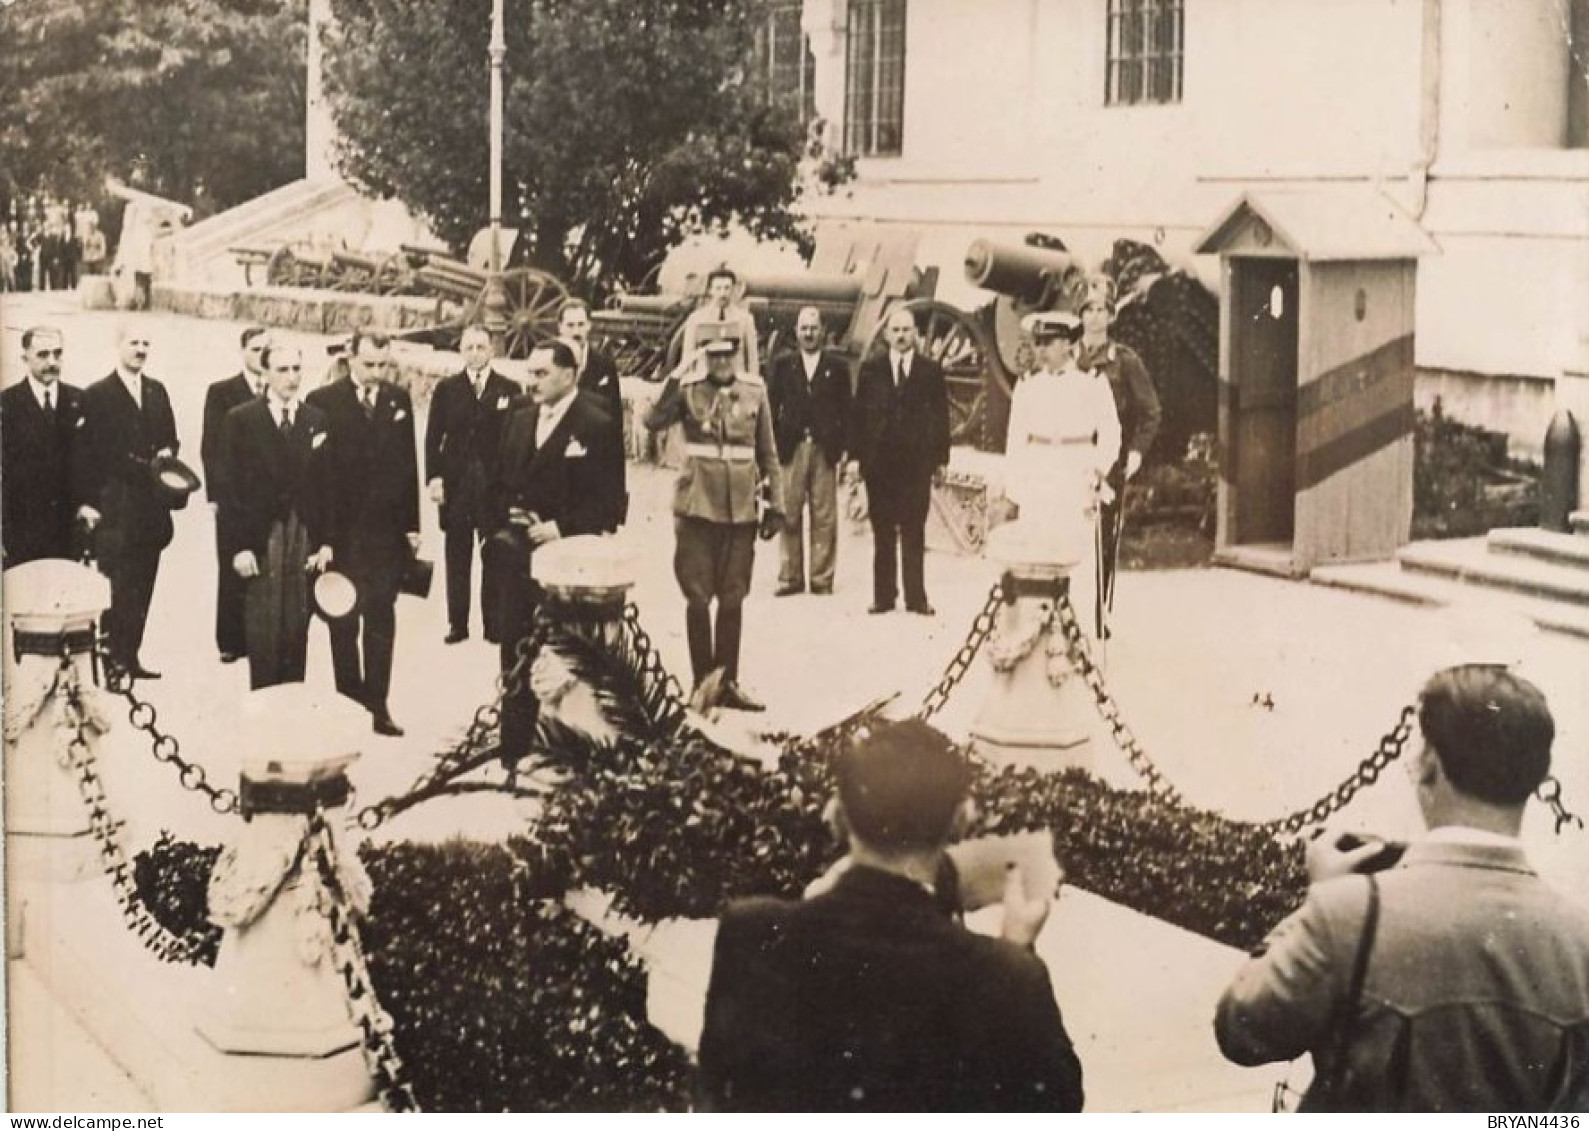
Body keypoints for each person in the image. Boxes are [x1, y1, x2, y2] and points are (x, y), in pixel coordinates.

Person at [1215, 664, 1589, 1111]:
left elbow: (1242, 1031)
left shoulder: (1350, 914)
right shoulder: (1578, 937)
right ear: (1536, 779)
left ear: (1429, 765)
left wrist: (1317, 902)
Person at [697, 718, 1085, 1111]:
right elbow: (1057, 1105)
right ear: (961, 821)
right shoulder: (1006, 977)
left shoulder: (750, 934)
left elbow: (720, 1093)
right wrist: (1018, 949)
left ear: (836, 816)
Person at [485, 340, 626, 764]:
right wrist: (505, 517)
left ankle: (570, 748)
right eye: (530, 372)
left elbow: (611, 502)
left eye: (542, 373)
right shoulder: (519, 418)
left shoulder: (596, 424)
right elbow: (498, 480)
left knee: (566, 655)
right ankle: (515, 748)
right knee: (515, 647)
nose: (532, 381)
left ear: (569, 375)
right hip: (517, 558)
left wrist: (560, 527)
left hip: (569, 562)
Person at [644, 330, 783, 712]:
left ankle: (728, 682)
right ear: (705, 357)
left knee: (734, 597)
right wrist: (674, 376)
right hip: (696, 508)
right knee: (698, 597)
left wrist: (776, 506)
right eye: (714, 356)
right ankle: (701, 682)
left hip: (740, 511)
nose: (722, 364)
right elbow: (652, 420)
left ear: (737, 356)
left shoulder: (755, 391)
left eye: (728, 356)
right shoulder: (688, 390)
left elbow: (768, 452)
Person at [305, 330, 420, 737]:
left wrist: (412, 526)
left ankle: (378, 705)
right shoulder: (324, 403)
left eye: (382, 365)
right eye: (368, 364)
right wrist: (322, 538)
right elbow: (318, 478)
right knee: (343, 620)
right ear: (350, 358)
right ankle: (348, 700)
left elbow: (409, 467)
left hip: (386, 535)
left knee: (382, 618)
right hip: (343, 534)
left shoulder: (397, 400)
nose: (375, 373)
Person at [217, 346, 334, 690]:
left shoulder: (315, 420)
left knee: (297, 624)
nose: (292, 378)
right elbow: (229, 490)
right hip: (261, 536)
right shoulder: (241, 419)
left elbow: (327, 486)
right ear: (265, 373)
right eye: (282, 370)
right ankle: (265, 712)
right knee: (264, 628)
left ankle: (293, 706)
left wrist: (326, 541)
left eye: (297, 369)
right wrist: (238, 548)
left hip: (302, 535)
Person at [71, 323, 181, 679]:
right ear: (118, 345)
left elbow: (171, 438)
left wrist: (168, 451)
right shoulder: (98, 394)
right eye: (134, 342)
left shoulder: (157, 391)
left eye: (146, 343)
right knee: (117, 586)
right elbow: (96, 453)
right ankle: (112, 658)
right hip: (118, 507)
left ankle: (131, 656)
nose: (140, 349)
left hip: (151, 509)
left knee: (144, 584)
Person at [1004, 311, 1121, 642]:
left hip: (1076, 472)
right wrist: (1016, 489)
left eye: (1049, 343)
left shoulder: (1092, 381)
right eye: (1038, 343)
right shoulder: (1028, 385)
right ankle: (1037, 631)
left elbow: (1111, 432)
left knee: (1078, 551)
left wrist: (1099, 468)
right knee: (1037, 549)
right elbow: (1016, 439)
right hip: (1040, 473)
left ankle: (1080, 631)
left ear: (1068, 344)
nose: (1041, 350)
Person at [849, 306, 950, 616]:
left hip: (916, 465)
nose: (902, 336)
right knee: (882, 531)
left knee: (913, 530)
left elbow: (940, 418)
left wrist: (941, 459)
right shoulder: (871, 369)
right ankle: (883, 596)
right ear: (887, 334)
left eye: (907, 330)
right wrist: (855, 458)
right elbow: (858, 417)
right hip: (880, 464)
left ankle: (916, 598)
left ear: (915, 334)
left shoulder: (930, 371)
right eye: (896, 330)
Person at [425, 324, 517, 645]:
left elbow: (516, 440)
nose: (475, 354)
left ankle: (493, 624)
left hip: (493, 488)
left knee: (494, 554)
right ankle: (457, 623)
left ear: (492, 350)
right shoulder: (447, 389)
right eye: (469, 348)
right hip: (457, 485)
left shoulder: (509, 388)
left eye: (481, 347)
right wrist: (434, 478)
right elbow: (432, 438)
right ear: (461, 351)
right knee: (457, 554)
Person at [1075, 275, 1160, 616]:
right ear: (1079, 315)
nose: (1095, 316)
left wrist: (1137, 452)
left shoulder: (1125, 361)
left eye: (1101, 310)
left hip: (1110, 459)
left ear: (1111, 316)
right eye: (1088, 310)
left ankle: (1099, 612)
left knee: (1103, 536)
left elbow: (1150, 411)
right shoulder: (1067, 357)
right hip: (1071, 455)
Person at [764, 305, 850, 596]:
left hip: (825, 449)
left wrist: (844, 447)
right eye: (804, 328)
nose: (809, 333)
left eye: (814, 328)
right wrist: (773, 447)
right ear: (796, 332)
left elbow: (846, 411)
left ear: (822, 331)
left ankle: (821, 578)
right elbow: (770, 408)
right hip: (791, 448)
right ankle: (790, 577)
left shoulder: (836, 367)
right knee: (788, 512)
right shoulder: (782, 365)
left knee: (824, 516)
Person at [200, 326, 270, 664]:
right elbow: (210, 447)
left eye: (267, 350)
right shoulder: (222, 392)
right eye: (256, 350)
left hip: (266, 494)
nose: (262, 356)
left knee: (265, 561)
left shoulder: (278, 390)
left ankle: (260, 635)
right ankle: (230, 639)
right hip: (232, 491)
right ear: (243, 351)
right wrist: (214, 494)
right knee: (231, 562)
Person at [2, 326, 82, 567]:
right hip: (22, 532)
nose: (52, 362)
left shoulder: (80, 400)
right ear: (25, 358)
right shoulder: (7, 404)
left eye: (58, 354)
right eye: (43, 355)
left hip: (70, 531)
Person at [677, 266, 761, 378]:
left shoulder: (745, 319)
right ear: (710, 290)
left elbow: (752, 360)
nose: (723, 293)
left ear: (733, 290)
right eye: (718, 288)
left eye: (727, 288)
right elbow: (688, 358)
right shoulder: (696, 319)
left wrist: (752, 385)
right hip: (704, 383)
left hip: (735, 383)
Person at [556, 298, 623, 424]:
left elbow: (615, 414)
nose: (576, 332)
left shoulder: (604, 365)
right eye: (570, 325)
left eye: (581, 324)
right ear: (560, 327)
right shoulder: (548, 362)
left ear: (589, 325)